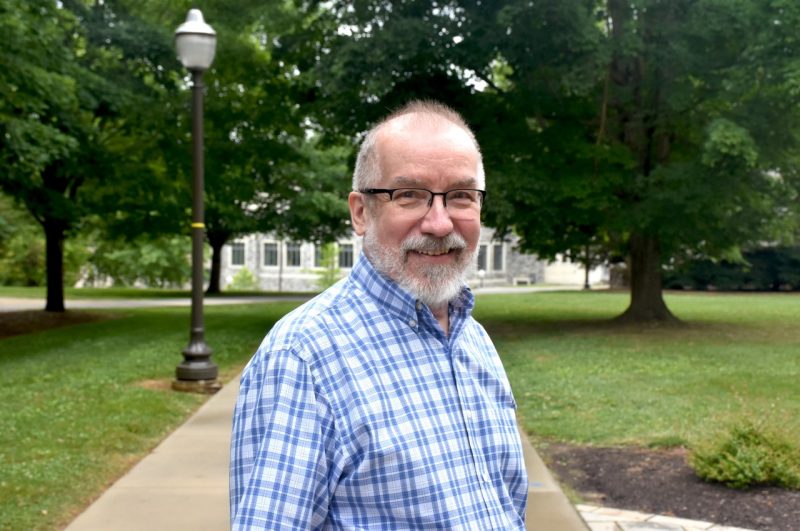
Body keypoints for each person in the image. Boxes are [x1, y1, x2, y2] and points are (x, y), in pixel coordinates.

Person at [229, 100, 528, 529]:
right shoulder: (303, 358)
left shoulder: (473, 339)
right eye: (409, 195)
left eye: (461, 196)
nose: (440, 223)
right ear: (360, 212)